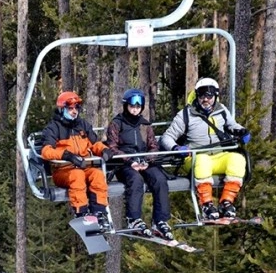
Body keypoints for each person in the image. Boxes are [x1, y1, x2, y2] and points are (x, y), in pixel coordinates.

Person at [159, 78, 251, 220]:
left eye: (209, 96)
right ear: (197, 96)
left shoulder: (221, 111)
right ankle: (206, 204)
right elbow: (167, 137)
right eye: (202, 96)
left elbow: (233, 125)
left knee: (237, 159)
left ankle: (227, 202)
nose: (205, 100)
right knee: (203, 160)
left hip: (218, 155)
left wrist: (241, 132)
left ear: (215, 96)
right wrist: (176, 148)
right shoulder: (186, 115)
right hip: (195, 157)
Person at [105, 89, 174, 239]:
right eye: (132, 106)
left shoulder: (144, 125)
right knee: (136, 181)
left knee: (160, 179)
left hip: (144, 162)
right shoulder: (117, 124)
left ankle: (160, 220)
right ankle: (133, 218)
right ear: (126, 106)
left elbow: (153, 145)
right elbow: (112, 147)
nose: (135, 109)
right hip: (124, 164)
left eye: (138, 106)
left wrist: (148, 160)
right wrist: (129, 160)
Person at [40, 91, 113, 225]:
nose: (74, 112)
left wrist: (105, 150)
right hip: (63, 171)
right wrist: (66, 155)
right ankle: (81, 212)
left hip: (84, 166)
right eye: (70, 108)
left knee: (97, 174)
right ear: (62, 109)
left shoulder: (82, 125)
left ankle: (99, 211)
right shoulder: (54, 128)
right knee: (77, 175)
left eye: (76, 108)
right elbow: (46, 151)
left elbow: (94, 143)